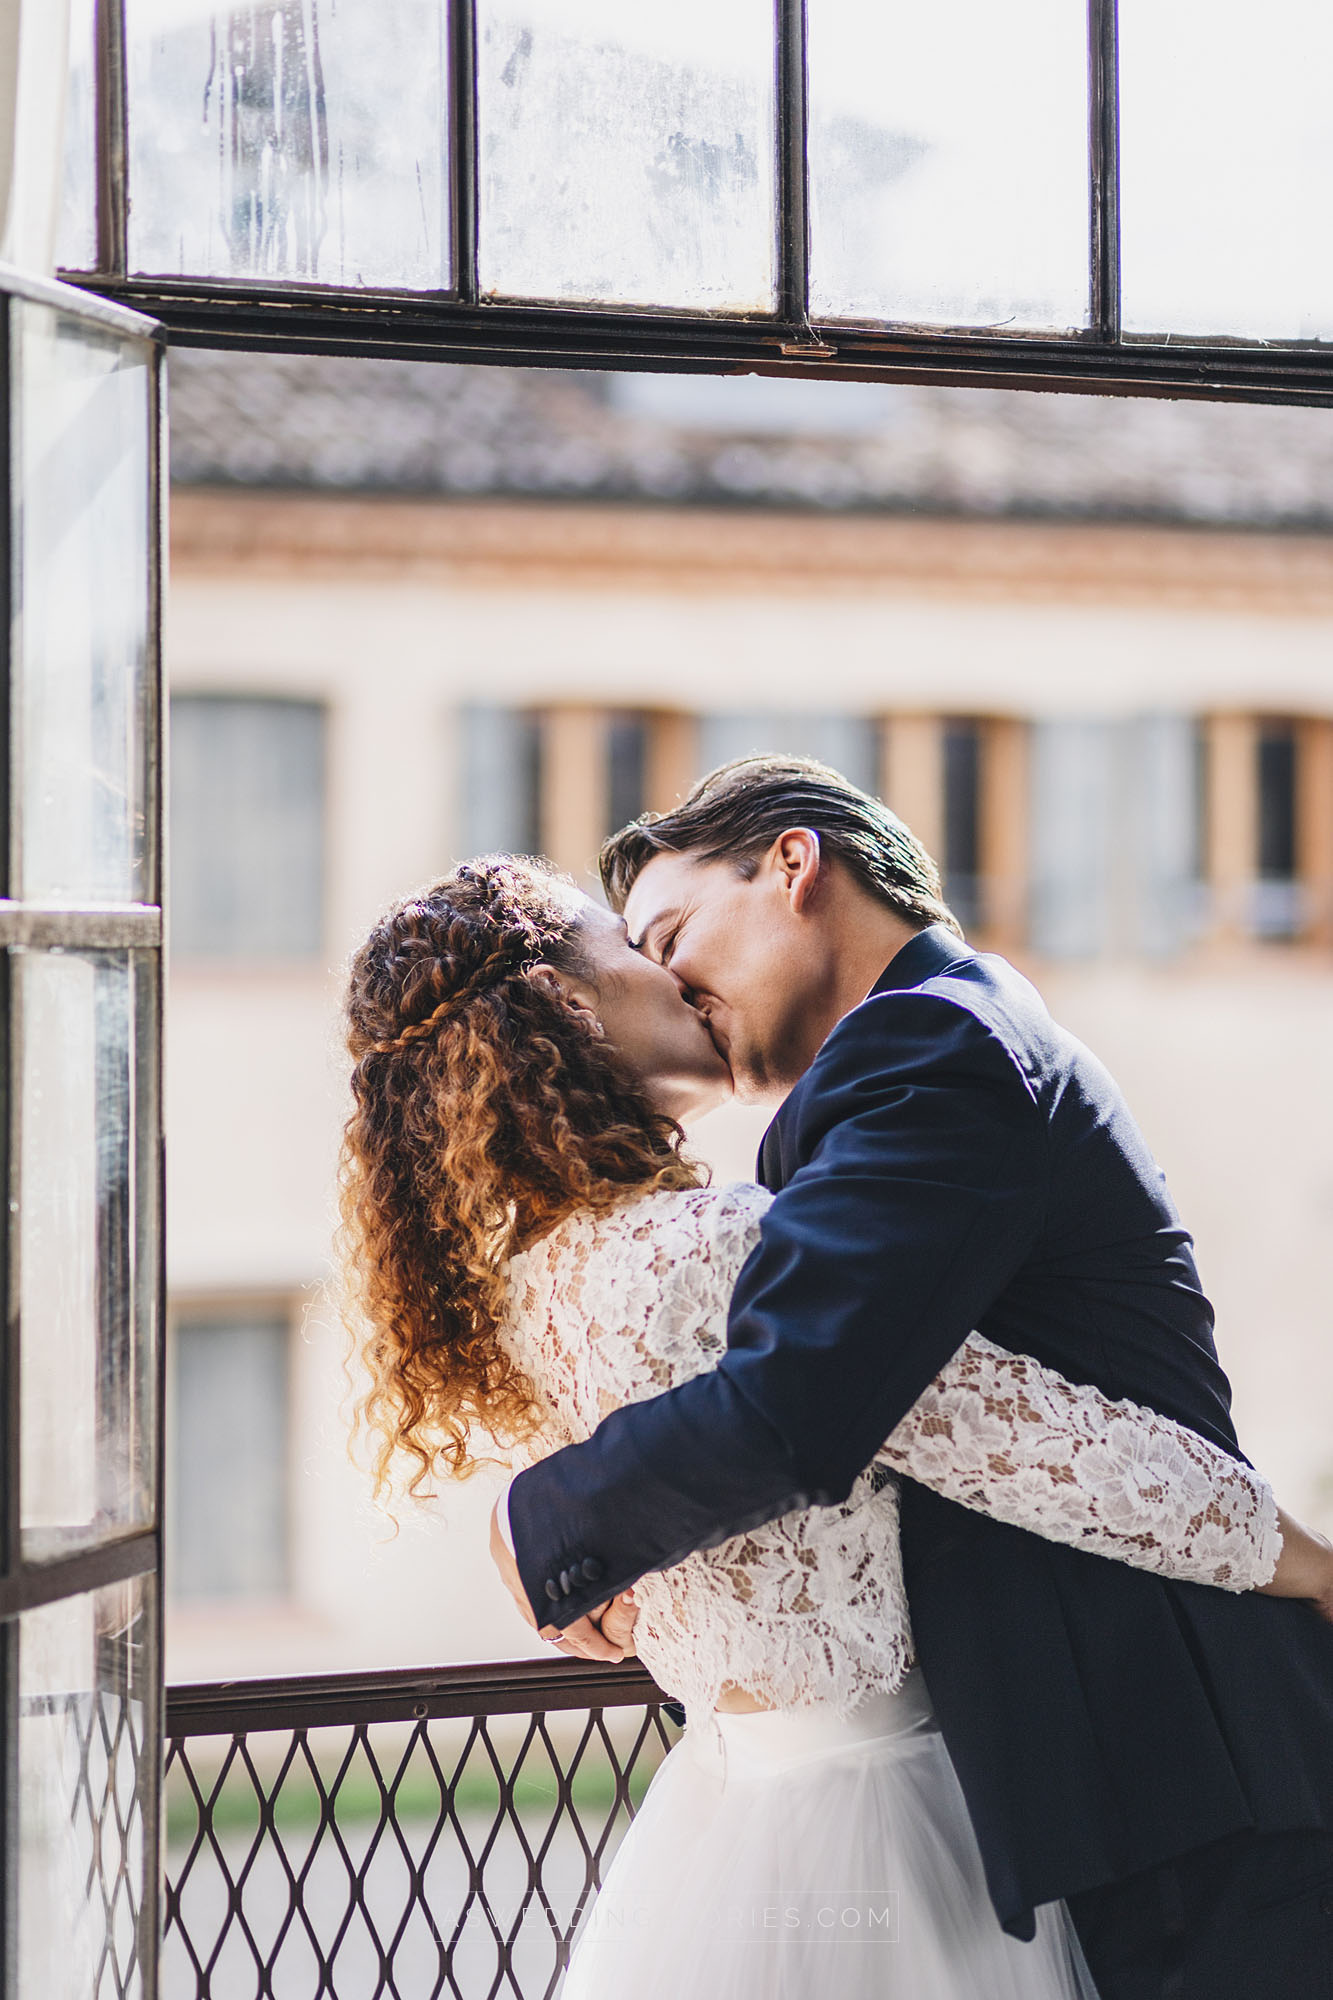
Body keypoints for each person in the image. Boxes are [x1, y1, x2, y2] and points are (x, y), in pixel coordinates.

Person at [340, 847, 1333, 2000]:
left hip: (727, 1817)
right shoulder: (722, 1245)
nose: (680, 978)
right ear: (570, 1002)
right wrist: (1302, 1556)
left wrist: (550, 1533)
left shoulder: (533, 1290)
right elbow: (1042, 1445)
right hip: (887, 1817)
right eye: (640, 947)